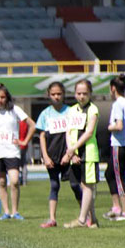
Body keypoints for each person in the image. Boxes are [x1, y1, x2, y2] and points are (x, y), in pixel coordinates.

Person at [0, 83, 35, 220]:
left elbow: (32, 124)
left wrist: (24, 141)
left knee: (15, 181)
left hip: (12, 151)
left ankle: (15, 211)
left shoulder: (15, 110)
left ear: (7, 97)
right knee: (1, 182)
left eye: (2, 97)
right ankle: (6, 212)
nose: (0, 100)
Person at [35, 82, 82, 228]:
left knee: (75, 185)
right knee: (54, 185)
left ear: (63, 95)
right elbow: (41, 136)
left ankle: (84, 216)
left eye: (59, 94)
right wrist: (45, 157)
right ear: (49, 95)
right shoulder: (45, 114)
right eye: (53, 94)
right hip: (52, 157)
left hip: (69, 155)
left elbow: (75, 133)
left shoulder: (71, 111)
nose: (56, 97)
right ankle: (52, 219)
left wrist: (70, 154)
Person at [62, 79, 100, 229]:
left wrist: (73, 149)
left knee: (87, 186)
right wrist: (71, 151)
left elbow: (89, 132)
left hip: (88, 153)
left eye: (85, 93)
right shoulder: (71, 110)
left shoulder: (93, 110)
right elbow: (68, 132)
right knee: (79, 185)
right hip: (75, 154)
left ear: (90, 94)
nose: (82, 96)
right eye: (79, 93)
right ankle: (94, 220)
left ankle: (82, 219)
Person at [103, 74, 125, 221]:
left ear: (112, 88)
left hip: (119, 145)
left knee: (118, 177)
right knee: (109, 174)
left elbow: (119, 126)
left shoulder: (118, 104)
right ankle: (116, 207)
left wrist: (109, 127)